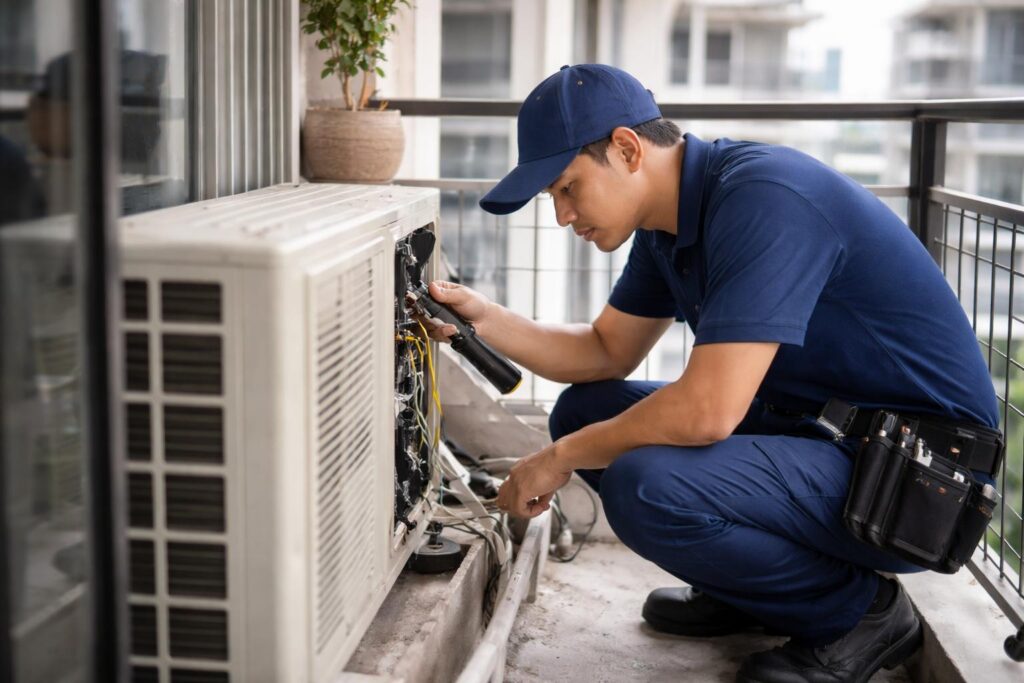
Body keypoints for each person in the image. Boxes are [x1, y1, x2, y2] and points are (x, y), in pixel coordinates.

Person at [419, 64, 999, 682]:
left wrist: (559, 457)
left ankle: (862, 617)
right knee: (585, 412)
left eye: (567, 188)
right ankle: (749, 588)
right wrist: (482, 318)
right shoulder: (666, 223)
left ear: (626, 148)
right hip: (825, 435)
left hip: (918, 479)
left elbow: (708, 411)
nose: (563, 215)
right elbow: (604, 350)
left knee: (647, 484)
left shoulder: (763, 199)